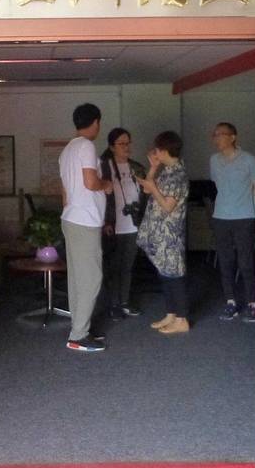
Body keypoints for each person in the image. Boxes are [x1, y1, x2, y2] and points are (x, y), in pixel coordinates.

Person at [59, 103, 113, 352]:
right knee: (91, 278)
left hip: (71, 218)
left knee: (77, 278)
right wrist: (106, 185)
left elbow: (64, 191)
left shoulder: (67, 150)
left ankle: (79, 328)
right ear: (96, 122)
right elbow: (91, 182)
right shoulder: (87, 146)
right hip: (84, 221)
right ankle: (78, 335)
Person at [136, 131, 190, 334]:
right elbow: (147, 190)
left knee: (174, 275)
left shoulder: (178, 175)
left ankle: (182, 319)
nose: (155, 152)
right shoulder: (167, 170)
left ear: (165, 150)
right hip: (159, 234)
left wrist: (153, 188)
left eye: (157, 149)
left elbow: (168, 206)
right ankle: (171, 314)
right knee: (164, 273)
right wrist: (153, 168)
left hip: (170, 234)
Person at [210, 122, 255, 323]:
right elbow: (218, 184)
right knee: (225, 261)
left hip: (243, 217)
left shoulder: (249, 159)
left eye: (221, 134)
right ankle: (230, 301)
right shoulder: (214, 160)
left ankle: (252, 303)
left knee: (246, 261)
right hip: (221, 216)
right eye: (215, 135)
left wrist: (249, 205)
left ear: (233, 137)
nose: (217, 138)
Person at [100, 128, 146, 320]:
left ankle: (125, 301)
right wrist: (104, 220)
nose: (126, 147)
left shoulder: (136, 167)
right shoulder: (104, 167)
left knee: (128, 265)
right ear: (112, 147)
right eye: (121, 144)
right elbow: (99, 196)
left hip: (133, 223)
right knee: (114, 266)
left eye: (128, 143)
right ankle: (113, 304)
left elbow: (145, 193)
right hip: (113, 224)